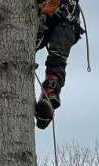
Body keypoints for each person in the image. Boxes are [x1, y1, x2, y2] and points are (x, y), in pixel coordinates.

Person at [35, 0, 84, 130]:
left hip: (65, 20)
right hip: (46, 19)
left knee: (57, 57)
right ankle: (47, 101)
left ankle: (49, 96)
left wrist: (44, 14)